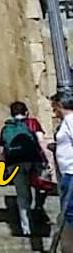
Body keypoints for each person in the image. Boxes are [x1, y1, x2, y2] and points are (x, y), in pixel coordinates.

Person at [0, 100, 47, 237]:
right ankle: (38, 208)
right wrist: (48, 160)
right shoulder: (32, 123)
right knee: (41, 184)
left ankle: (26, 228)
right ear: (26, 112)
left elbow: (3, 151)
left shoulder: (6, 128)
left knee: (22, 195)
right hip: (33, 160)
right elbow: (41, 141)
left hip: (15, 163)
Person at [55, 94, 73, 231]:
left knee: (70, 211)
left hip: (71, 172)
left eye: (55, 109)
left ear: (60, 106)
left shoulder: (70, 120)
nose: (55, 113)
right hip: (67, 172)